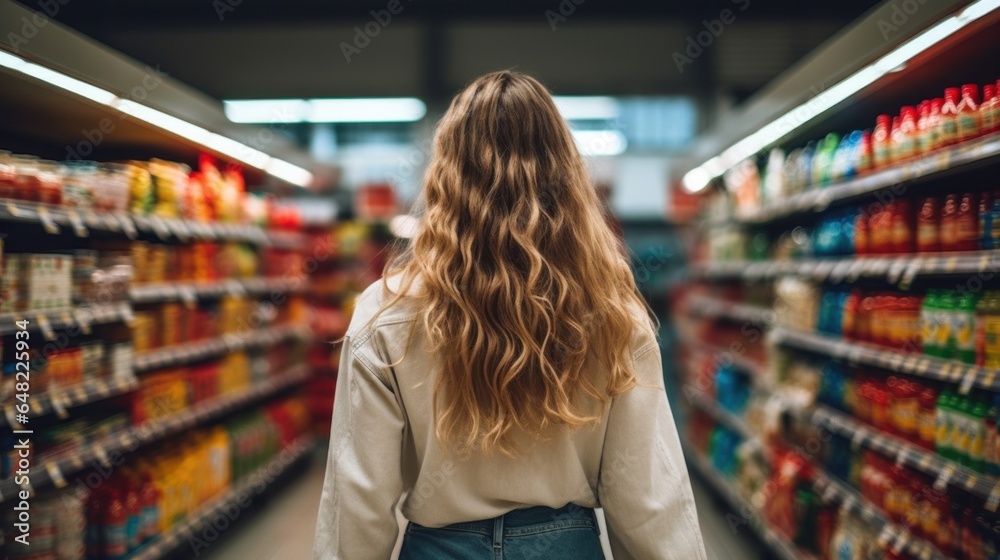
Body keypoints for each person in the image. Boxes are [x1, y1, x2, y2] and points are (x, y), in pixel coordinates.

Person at [312, 71, 707, 560]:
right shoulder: (612, 312)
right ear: (566, 177)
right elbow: (648, 496)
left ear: (445, 177)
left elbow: (358, 498)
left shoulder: (386, 313)